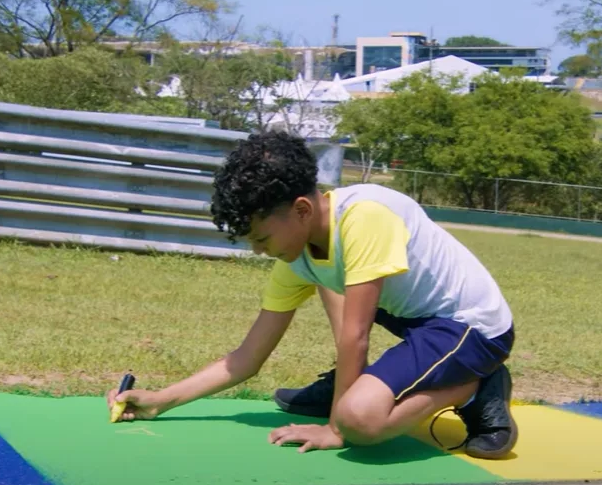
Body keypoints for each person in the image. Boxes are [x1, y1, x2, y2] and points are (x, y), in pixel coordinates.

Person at [106, 130, 518, 459]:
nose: (258, 251)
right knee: (334, 296)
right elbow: (246, 359)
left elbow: (355, 337)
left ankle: (477, 386)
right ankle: (363, 387)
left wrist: (337, 426)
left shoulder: (365, 217)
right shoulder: (297, 257)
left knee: (359, 421)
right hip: (422, 325)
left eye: (262, 238)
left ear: (302, 209)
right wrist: (161, 400)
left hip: (473, 326)